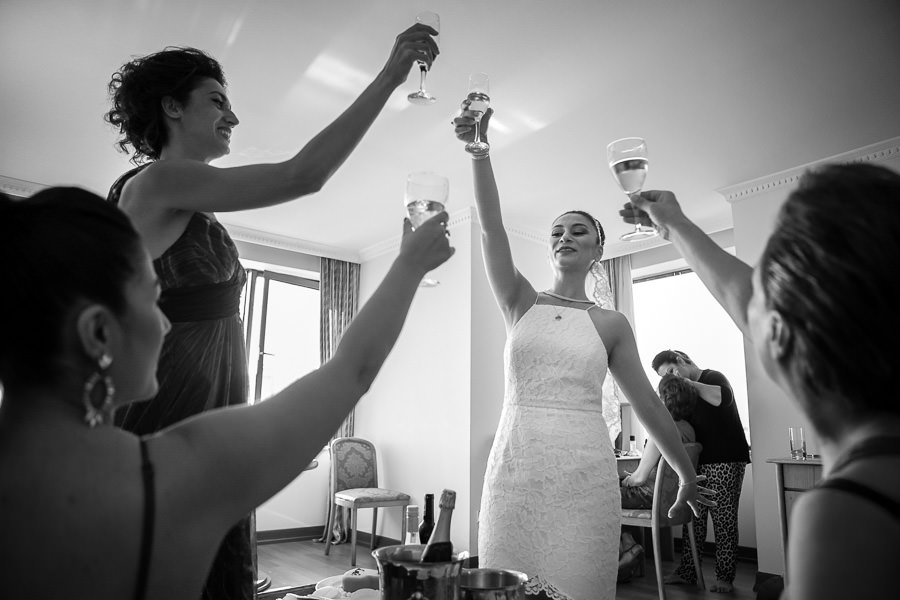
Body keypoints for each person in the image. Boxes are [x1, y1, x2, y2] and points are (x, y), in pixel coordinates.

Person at [103, 25, 437, 598]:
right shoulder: (157, 181)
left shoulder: (195, 205)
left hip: (214, 417)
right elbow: (301, 176)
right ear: (171, 107)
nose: (232, 117)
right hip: (170, 418)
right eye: (216, 101)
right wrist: (390, 76)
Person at [0, 187, 453, 600]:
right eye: (153, 299)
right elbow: (352, 371)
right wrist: (410, 264)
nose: (163, 323)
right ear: (98, 332)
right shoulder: (177, 477)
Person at [452, 107, 712, 600]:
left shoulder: (610, 324)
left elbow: (651, 406)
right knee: (505, 588)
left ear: (597, 251)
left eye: (576, 231)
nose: (563, 237)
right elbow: (490, 229)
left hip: (584, 475)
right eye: (556, 232)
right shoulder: (520, 301)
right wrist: (481, 152)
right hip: (515, 470)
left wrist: (685, 475)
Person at [621, 162, 900, 600]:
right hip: (708, 462)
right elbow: (746, 296)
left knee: (727, 523)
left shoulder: (848, 515)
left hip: (731, 460)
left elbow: (746, 307)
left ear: (779, 335)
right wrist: (674, 225)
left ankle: (725, 580)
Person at [650, 349, 749, 593]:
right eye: (666, 377)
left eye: (672, 371)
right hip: (699, 462)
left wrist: (685, 381)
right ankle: (688, 571)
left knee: (724, 520)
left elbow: (719, 399)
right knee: (692, 519)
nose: (672, 377)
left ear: (681, 360)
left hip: (726, 461)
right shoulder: (684, 392)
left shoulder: (713, 377)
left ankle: (724, 577)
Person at [618, 374, 700, 582]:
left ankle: (626, 547)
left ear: (664, 399)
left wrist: (625, 481)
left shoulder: (660, 430)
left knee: (599, 493)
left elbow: (638, 478)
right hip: (669, 498)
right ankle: (626, 544)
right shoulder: (689, 429)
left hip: (649, 496)